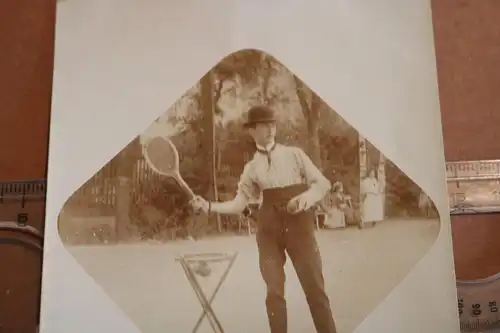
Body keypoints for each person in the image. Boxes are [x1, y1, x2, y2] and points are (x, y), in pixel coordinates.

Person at [191, 105, 337, 333]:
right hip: (269, 230)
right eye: (263, 125)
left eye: (272, 124)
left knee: (315, 290)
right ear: (252, 131)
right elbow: (240, 204)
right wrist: (209, 206)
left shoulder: (295, 154)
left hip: (300, 227)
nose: (270, 129)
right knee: (274, 294)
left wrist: (305, 199)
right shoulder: (251, 168)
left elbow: (322, 184)